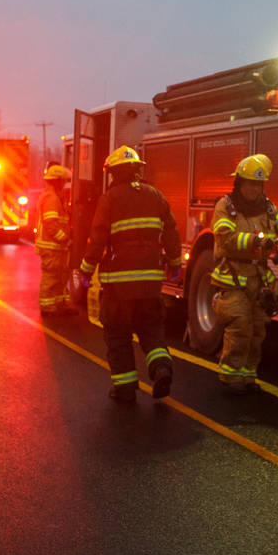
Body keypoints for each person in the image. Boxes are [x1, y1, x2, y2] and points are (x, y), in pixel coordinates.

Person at [78, 145, 181, 403]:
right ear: (137, 169)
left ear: (113, 173)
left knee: (118, 334)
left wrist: (86, 270)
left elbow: (98, 238)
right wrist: (175, 263)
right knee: (151, 328)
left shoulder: (110, 198)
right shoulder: (155, 195)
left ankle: (125, 390)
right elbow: (171, 231)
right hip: (149, 283)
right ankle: (161, 369)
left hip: (119, 286)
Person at [209, 154, 278, 394]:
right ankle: (230, 376)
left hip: (259, 279)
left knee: (258, 330)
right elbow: (225, 240)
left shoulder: (267, 207)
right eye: (250, 183)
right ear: (239, 183)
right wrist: (261, 242)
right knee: (239, 327)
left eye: (259, 184)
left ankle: (248, 374)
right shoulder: (225, 206)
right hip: (234, 276)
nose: (255, 189)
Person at [35, 163, 74, 316]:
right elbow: (51, 225)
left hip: (57, 248)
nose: (65, 183)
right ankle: (47, 308)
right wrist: (65, 238)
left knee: (60, 276)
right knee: (51, 277)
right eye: (63, 181)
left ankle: (60, 304)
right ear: (57, 180)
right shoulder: (51, 198)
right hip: (51, 247)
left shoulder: (56, 197)